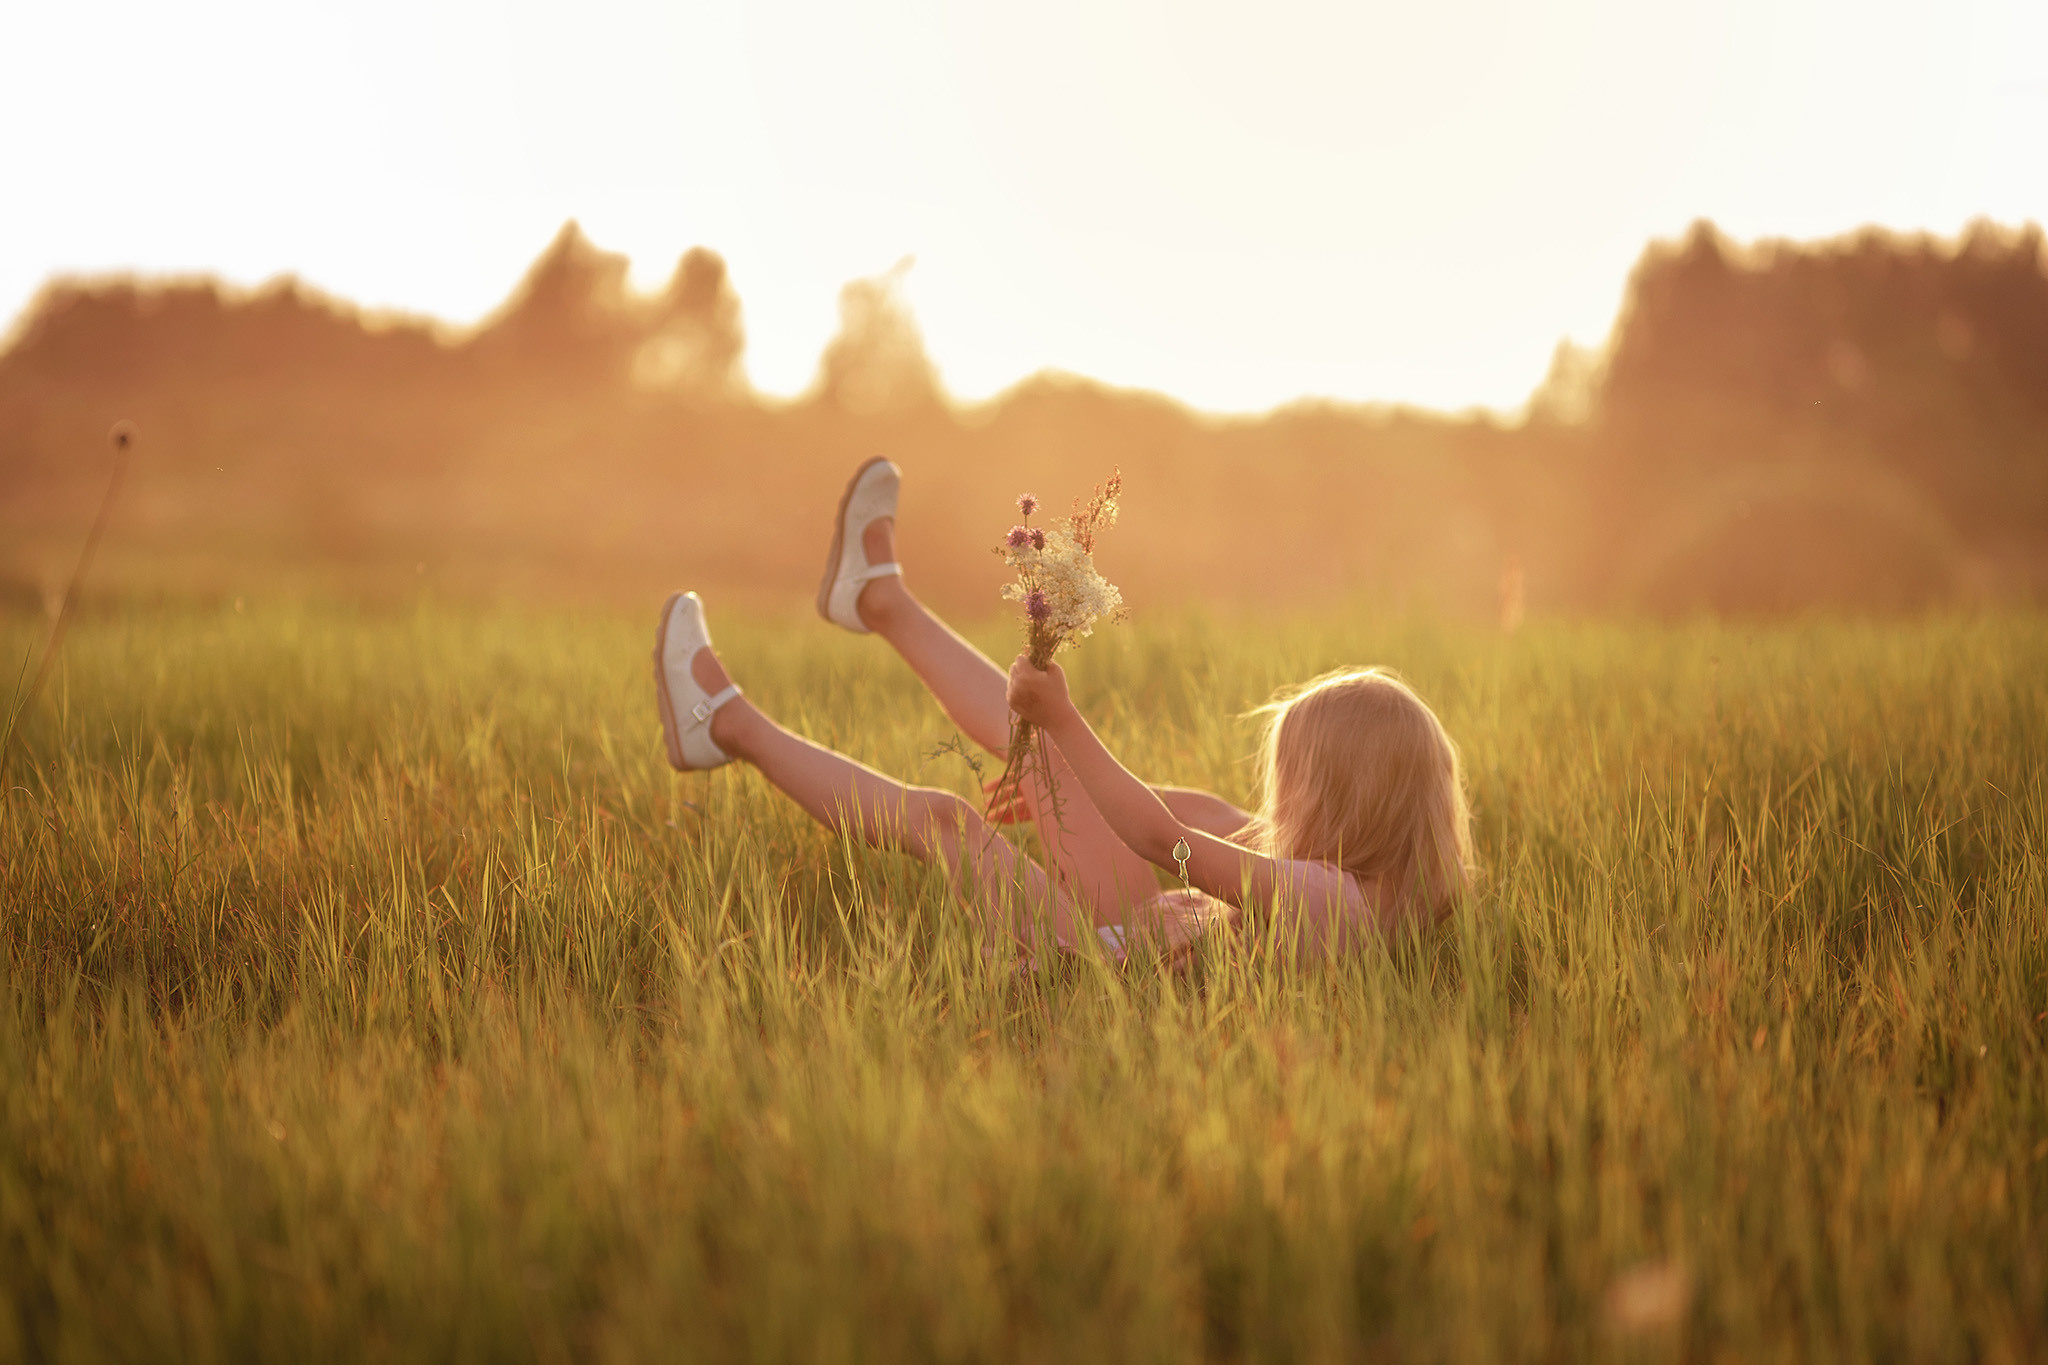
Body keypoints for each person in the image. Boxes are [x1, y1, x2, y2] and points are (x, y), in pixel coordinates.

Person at [653, 458, 1473, 961]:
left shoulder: (1332, 903)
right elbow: (1202, 814)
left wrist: (1068, 723)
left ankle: (722, 723)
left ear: (1340, 795)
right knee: (1043, 757)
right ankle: (880, 602)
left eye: (1291, 779)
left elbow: (1165, 840)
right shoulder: (1371, 885)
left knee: (945, 822)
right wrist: (1064, 773)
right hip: (1140, 939)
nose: (1276, 800)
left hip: (1095, 969)